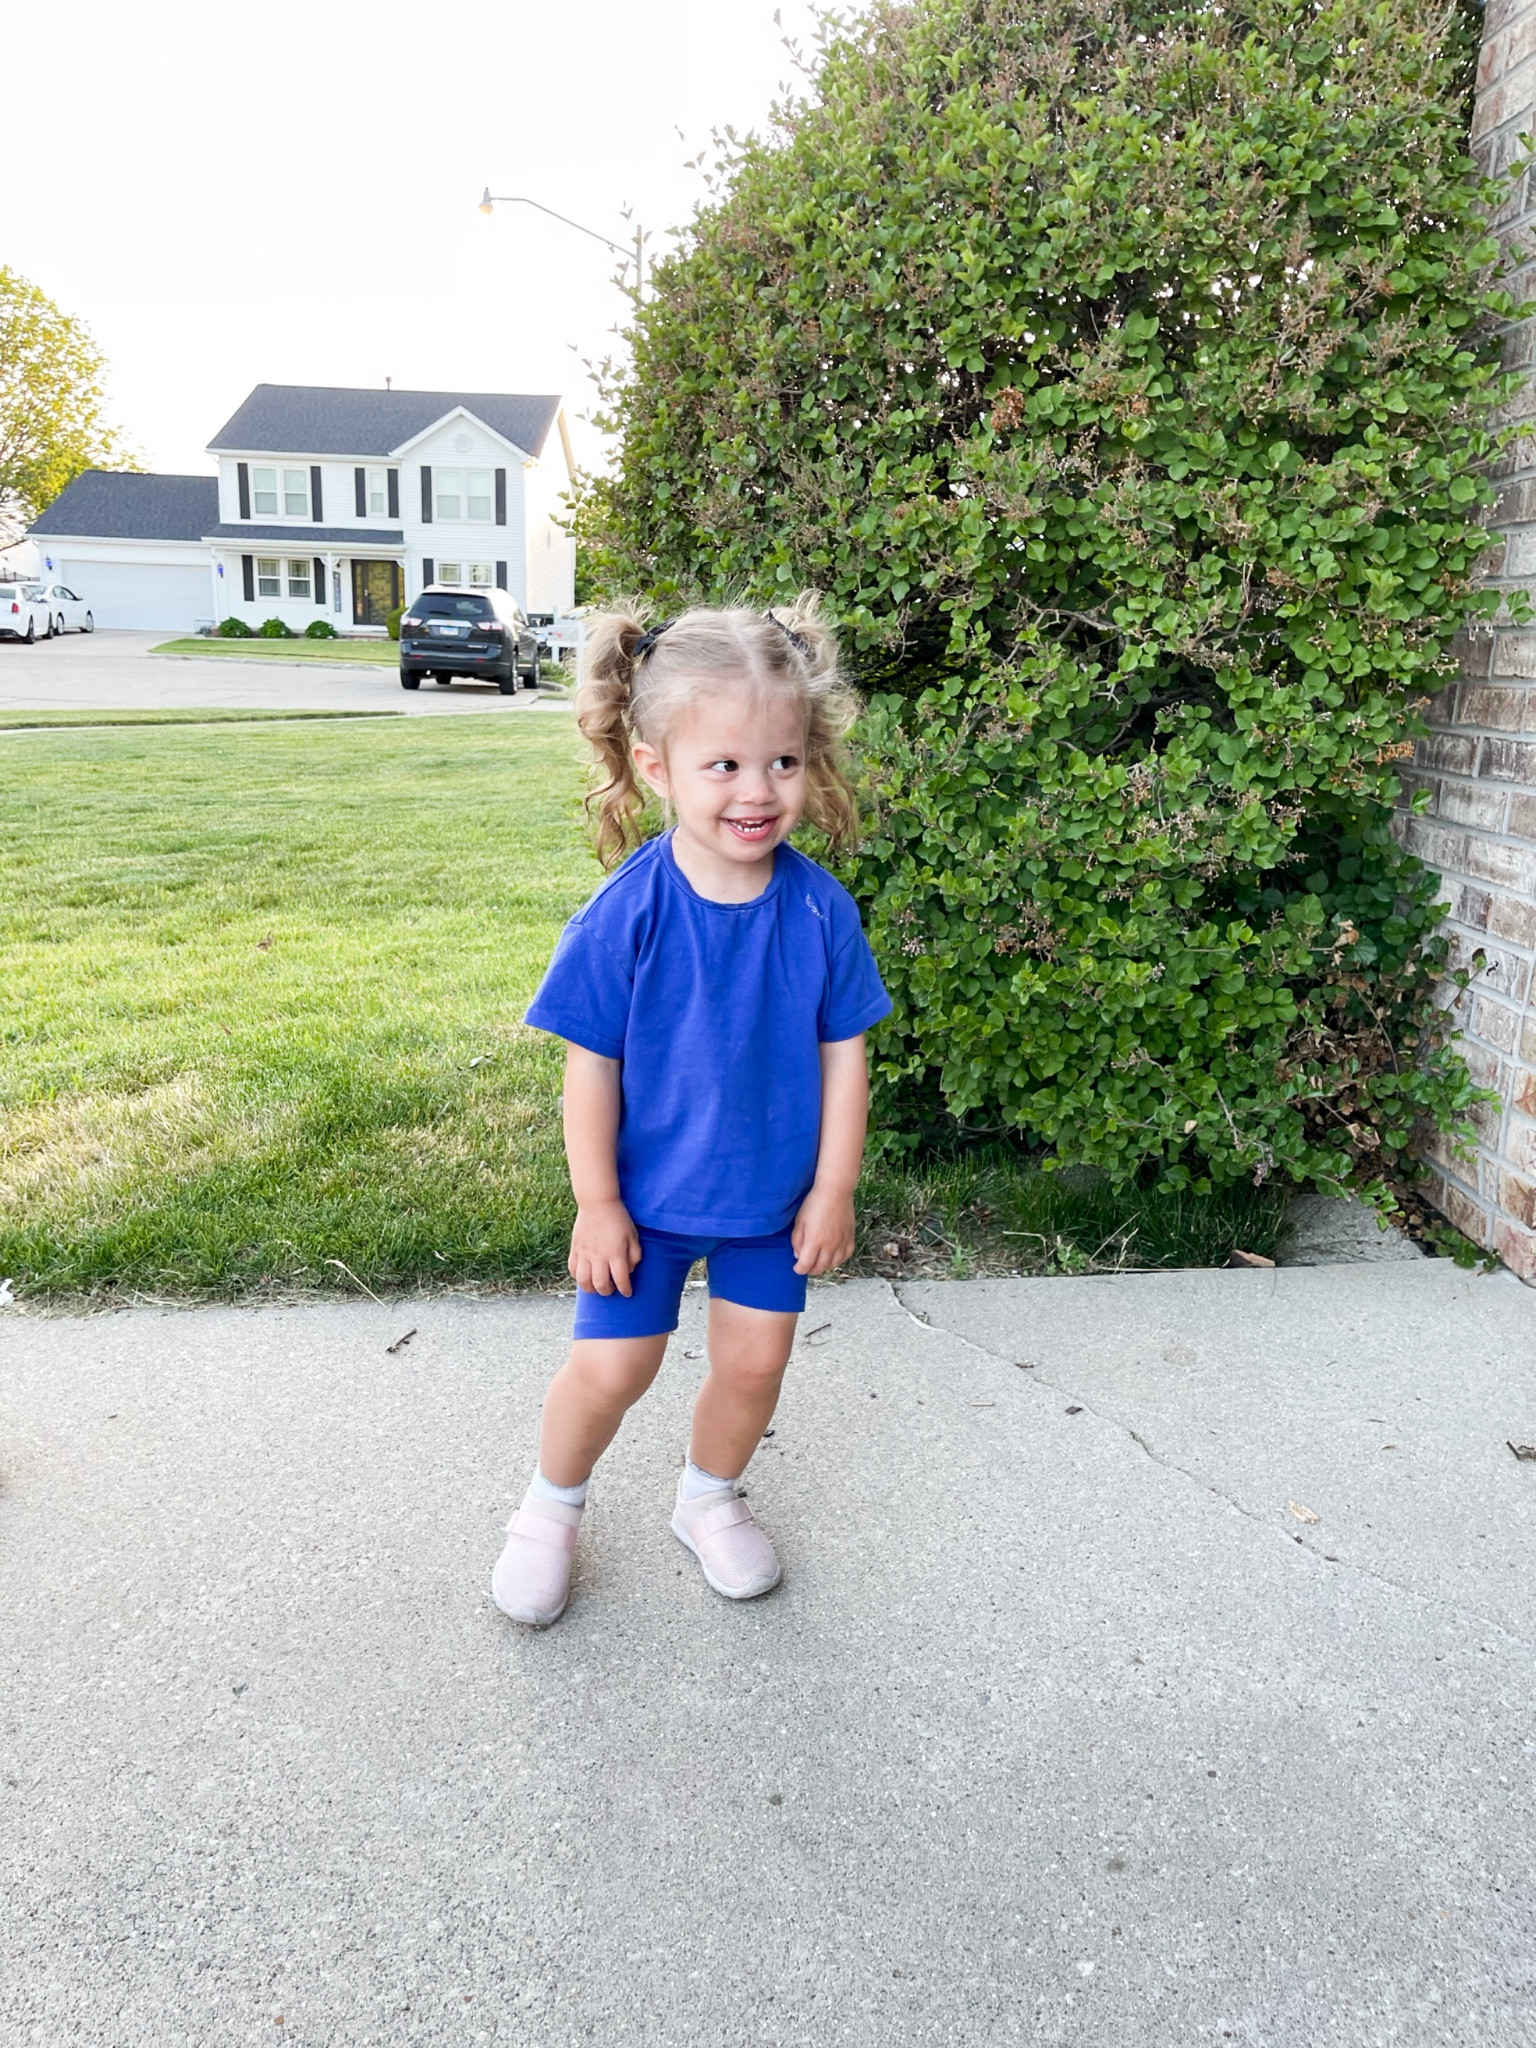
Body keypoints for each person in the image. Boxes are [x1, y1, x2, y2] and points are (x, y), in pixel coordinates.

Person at [492, 597, 891, 1627]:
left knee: (757, 1360)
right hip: (647, 1203)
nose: (758, 790)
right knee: (614, 1364)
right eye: (725, 765)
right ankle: (549, 1508)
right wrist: (597, 1201)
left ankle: (708, 1494)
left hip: (770, 1202)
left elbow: (844, 1055)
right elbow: (592, 1069)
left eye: (784, 761)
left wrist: (835, 1186)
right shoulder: (623, 915)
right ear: (658, 764)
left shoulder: (819, 911)